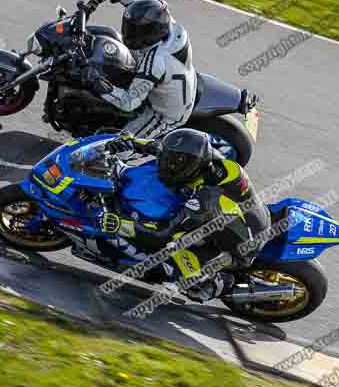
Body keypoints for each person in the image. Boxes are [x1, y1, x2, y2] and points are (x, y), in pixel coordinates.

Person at [98, 128, 271, 302]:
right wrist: (133, 141)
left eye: (173, 165)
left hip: (240, 249)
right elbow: (163, 150)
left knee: (175, 248)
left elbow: (161, 234)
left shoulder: (203, 204)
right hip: (252, 215)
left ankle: (216, 283)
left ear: (190, 167)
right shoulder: (212, 162)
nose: (167, 166)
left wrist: (120, 224)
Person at [80, 0, 257, 139]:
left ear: (149, 34)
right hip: (182, 81)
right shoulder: (167, 23)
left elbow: (129, 103)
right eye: (129, 27)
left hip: (166, 114)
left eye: (134, 31)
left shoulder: (155, 61)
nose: (128, 33)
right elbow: (142, 0)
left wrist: (95, 81)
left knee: (118, 147)